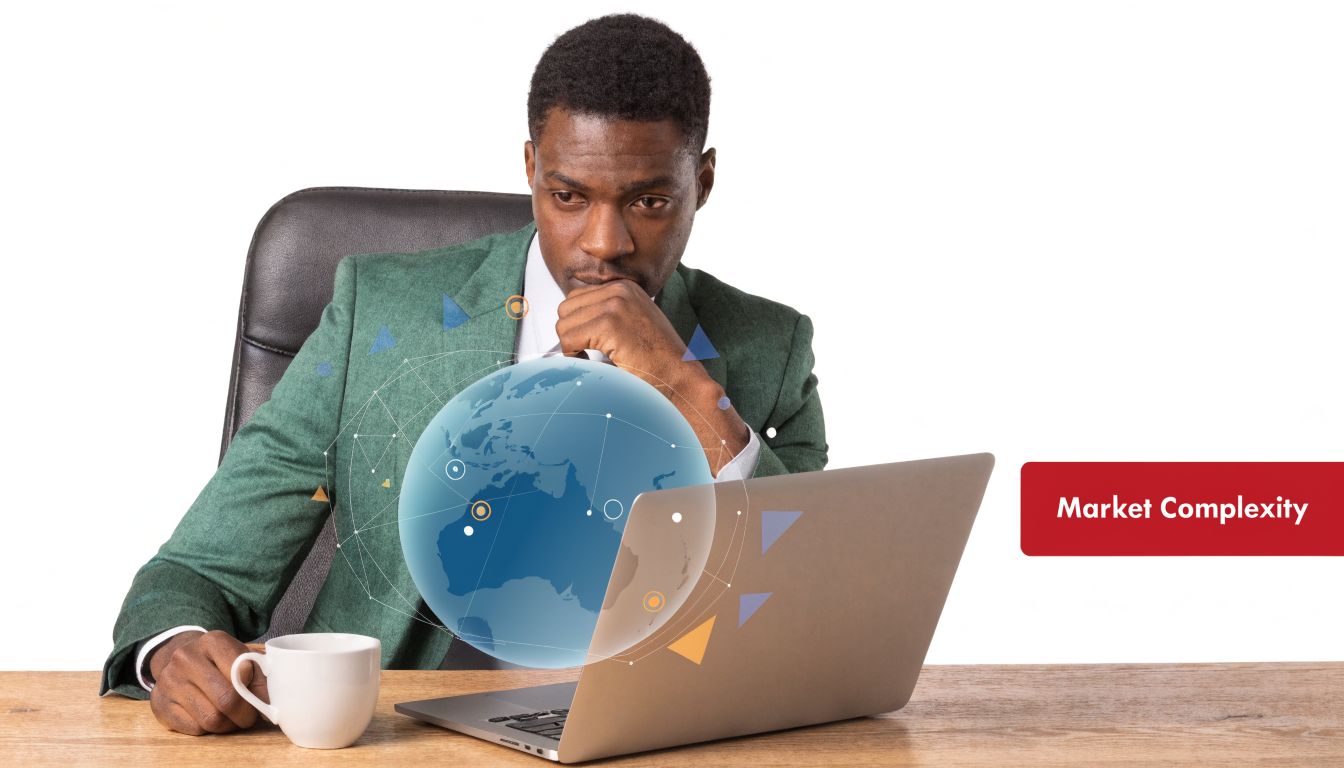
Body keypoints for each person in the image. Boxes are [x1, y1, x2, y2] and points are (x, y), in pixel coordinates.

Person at [101, 12, 828, 736]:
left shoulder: (771, 346)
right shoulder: (378, 316)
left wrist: (688, 390)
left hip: (668, 738)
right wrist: (174, 652)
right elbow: (193, 575)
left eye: (649, 200)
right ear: (530, 169)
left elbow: (810, 619)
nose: (604, 244)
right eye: (568, 196)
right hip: (400, 740)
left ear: (701, 181)